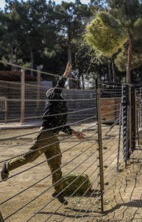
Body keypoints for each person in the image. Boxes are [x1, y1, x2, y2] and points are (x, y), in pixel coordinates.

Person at [1, 62, 85, 205]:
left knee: (56, 165)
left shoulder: (60, 106)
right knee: (29, 158)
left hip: (53, 137)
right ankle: (7, 166)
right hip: (46, 135)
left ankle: (59, 192)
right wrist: (65, 75)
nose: (57, 92)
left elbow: (62, 125)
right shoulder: (53, 98)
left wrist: (74, 132)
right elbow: (58, 88)